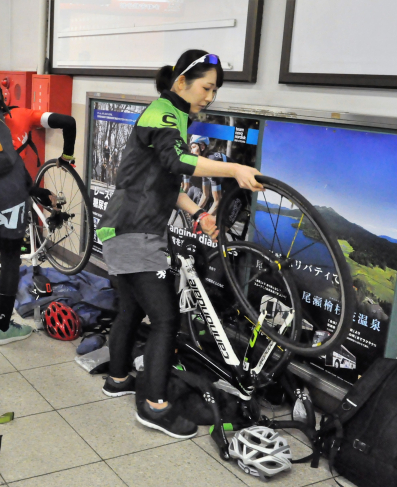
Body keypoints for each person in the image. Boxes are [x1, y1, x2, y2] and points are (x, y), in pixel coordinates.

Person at [95, 50, 263, 439]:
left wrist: (197, 214)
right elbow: (179, 162)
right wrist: (235, 169)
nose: (209, 96)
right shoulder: (165, 113)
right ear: (181, 82)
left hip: (123, 228)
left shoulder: (169, 114)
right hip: (133, 231)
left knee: (132, 311)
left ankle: (118, 379)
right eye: (206, 87)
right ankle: (155, 406)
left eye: (215, 91)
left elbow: (162, 181)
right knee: (166, 318)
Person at [0, 103, 77, 346]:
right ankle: (4, 328)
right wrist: (67, 156)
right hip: (7, 189)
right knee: (10, 257)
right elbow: (68, 122)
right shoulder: (24, 114)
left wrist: (37, 191)